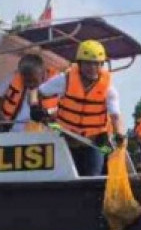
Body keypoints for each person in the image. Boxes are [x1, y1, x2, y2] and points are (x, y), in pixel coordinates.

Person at [29, 40, 126, 177]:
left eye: (96, 63)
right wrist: (34, 106)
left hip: (93, 143)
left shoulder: (109, 90)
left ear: (101, 65)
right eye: (87, 63)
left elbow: (116, 116)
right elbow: (35, 92)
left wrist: (120, 134)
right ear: (79, 63)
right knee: (64, 178)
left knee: (93, 176)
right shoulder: (65, 79)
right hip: (66, 139)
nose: (92, 68)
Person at [0, 53, 59, 132]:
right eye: (27, 81)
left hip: (36, 140)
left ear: (43, 74)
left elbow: (59, 122)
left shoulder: (59, 87)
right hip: (7, 131)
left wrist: (46, 115)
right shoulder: (15, 77)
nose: (30, 84)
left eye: (34, 81)